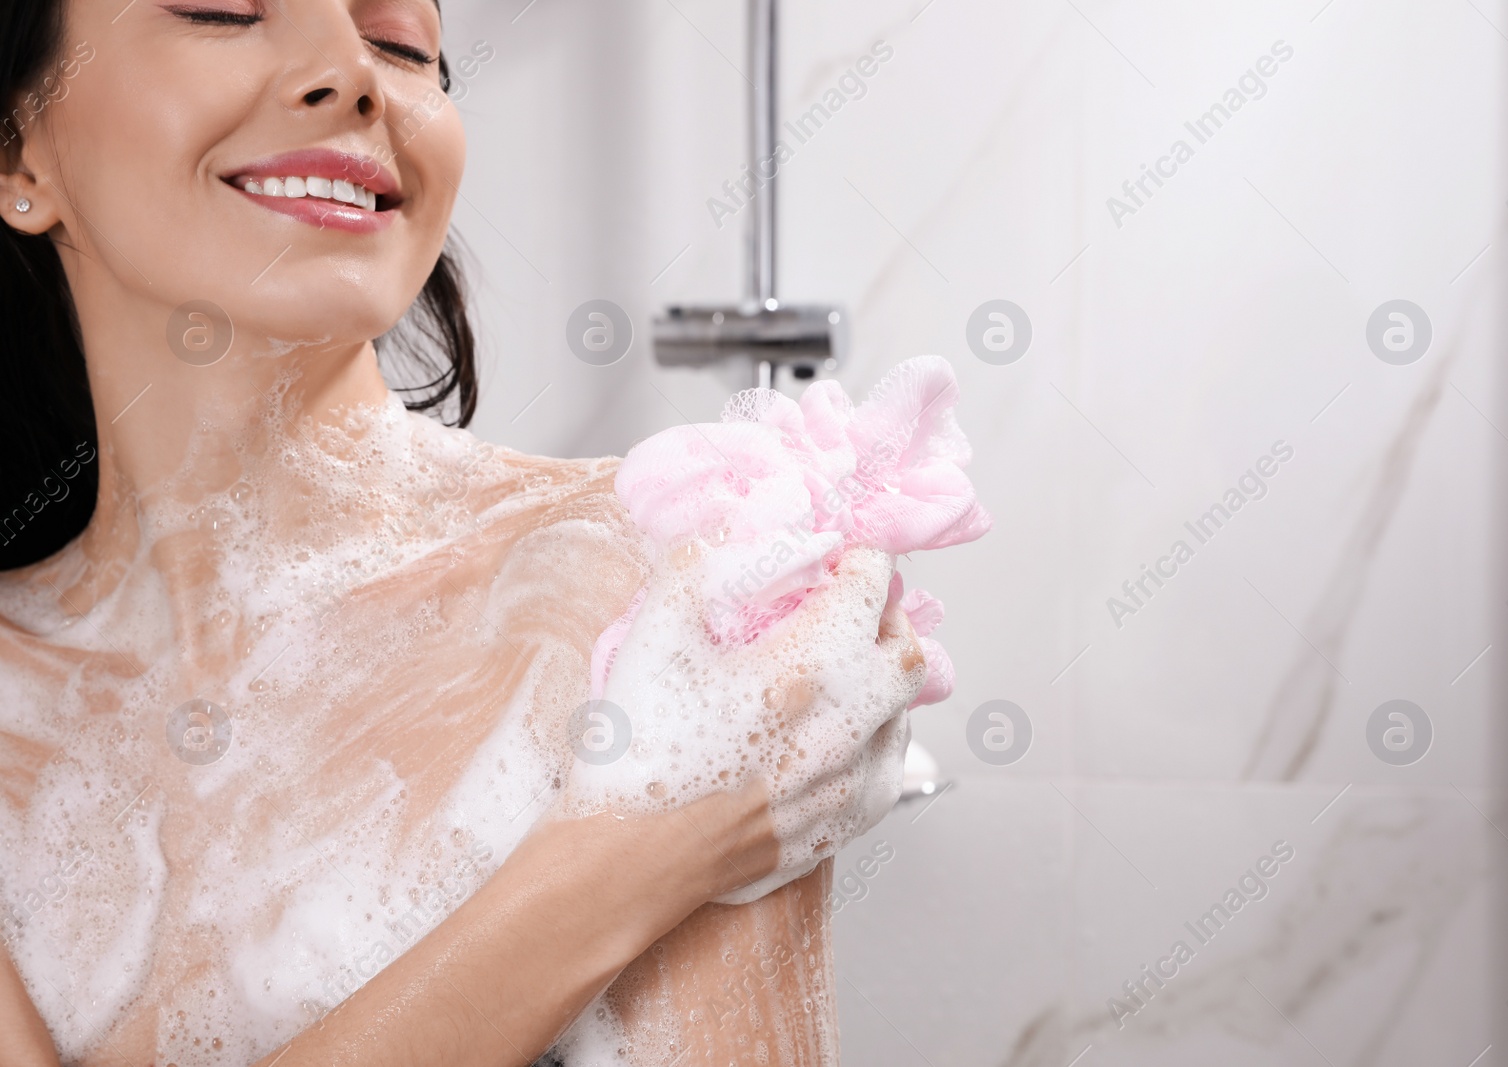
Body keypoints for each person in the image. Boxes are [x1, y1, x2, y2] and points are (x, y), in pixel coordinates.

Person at [0, 1, 925, 1063]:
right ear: (18, 151)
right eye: (223, 6)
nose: (349, 73)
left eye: (398, 40)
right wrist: (635, 856)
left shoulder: (648, 596)